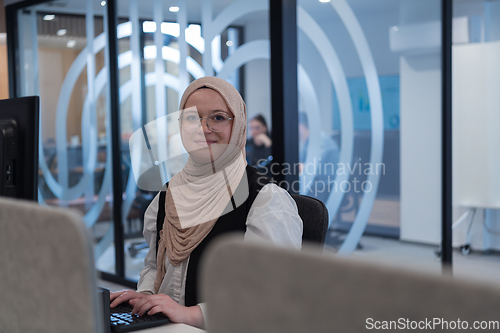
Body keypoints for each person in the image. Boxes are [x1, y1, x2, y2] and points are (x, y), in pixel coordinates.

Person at [109, 77, 303, 329]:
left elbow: (269, 297)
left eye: (219, 117)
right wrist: (146, 296)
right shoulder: (167, 196)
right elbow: (153, 265)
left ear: (239, 126)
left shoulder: (265, 200)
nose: (203, 128)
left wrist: (191, 315)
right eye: (191, 118)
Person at [299, 112, 340, 203]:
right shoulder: (308, 141)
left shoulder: (320, 140)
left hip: (325, 185)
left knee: (298, 199)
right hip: (316, 183)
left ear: (301, 126)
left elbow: (312, 168)